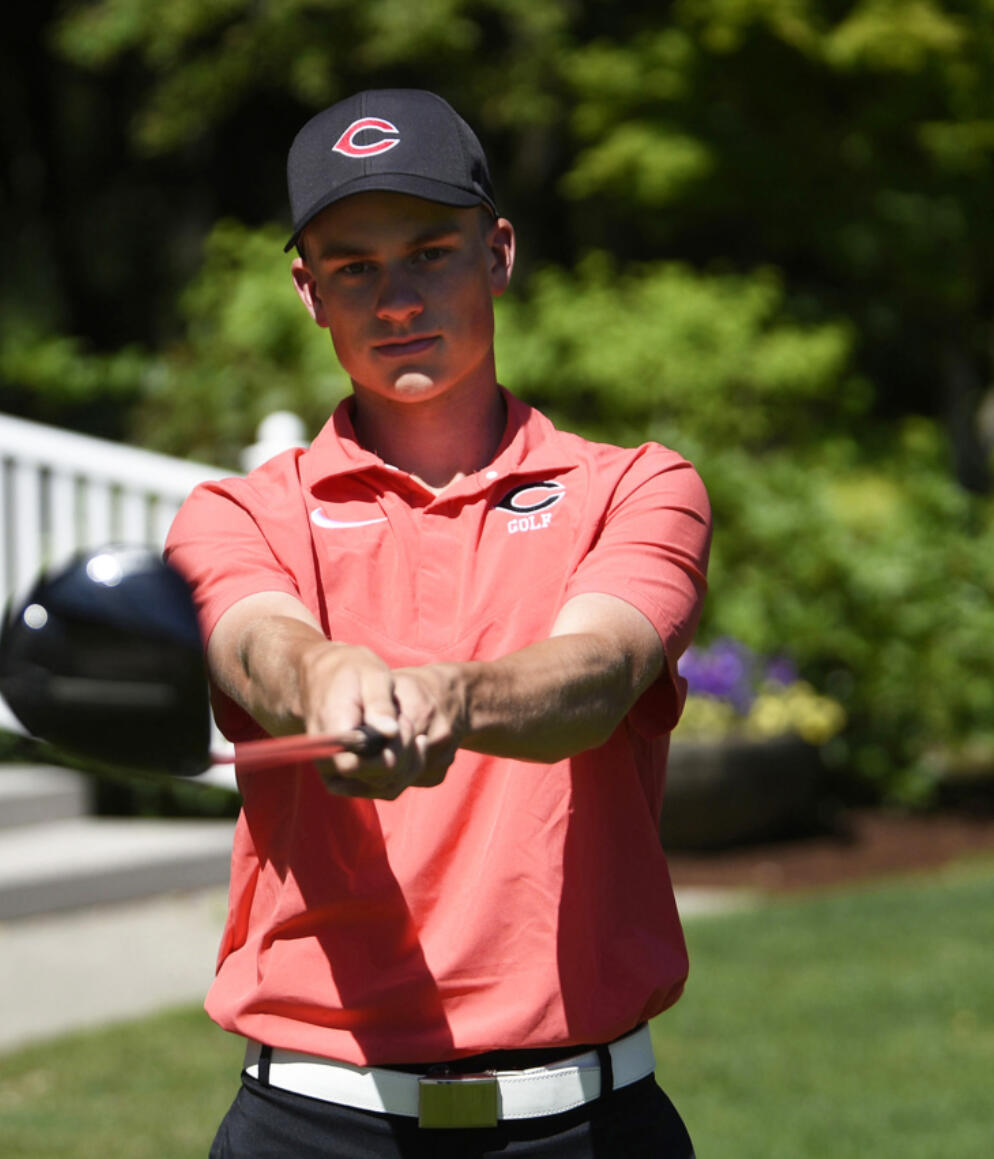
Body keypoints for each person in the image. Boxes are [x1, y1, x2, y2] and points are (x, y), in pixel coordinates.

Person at [165, 89, 711, 1158]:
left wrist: (446, 698)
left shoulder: (635, 487)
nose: (395, 296)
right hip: (310, 1126)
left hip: (587, 1127)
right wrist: (328, 679)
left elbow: (597, 672)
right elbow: (255, 640)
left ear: (496, 252)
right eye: (353, 266)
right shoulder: (234, 513)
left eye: (428, 251)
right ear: (306, 290)